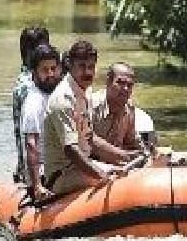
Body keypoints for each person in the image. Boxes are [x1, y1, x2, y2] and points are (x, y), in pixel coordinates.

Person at [42, 40, 135, 196]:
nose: (87, 72)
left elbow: (90, 138)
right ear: (70, 66)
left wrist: (126, 156)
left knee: (129, 171)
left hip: (78, 168)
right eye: (82, 66)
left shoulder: (84, 92)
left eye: (91, 67)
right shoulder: (63, 100)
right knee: (119, 182)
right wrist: (101, 175)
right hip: (62, 175)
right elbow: (71, 149)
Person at [19, 43, 63, 199]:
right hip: (46, 170)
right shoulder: (34, 103)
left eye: (53, 68)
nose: (50, 74)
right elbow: (31, 145)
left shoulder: (59, 96)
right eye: (45, 70)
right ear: (34, 74)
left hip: (60, 163)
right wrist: (37, 186)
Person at [12, 26, 50, 181]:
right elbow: (31, 141)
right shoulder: (29, 86)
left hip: (30, 164)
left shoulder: (24, 81)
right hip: (36, 168)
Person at [91, 62, 145, 153]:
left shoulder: (129, 108)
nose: (126, 89)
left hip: (117, 162)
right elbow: (85, 144)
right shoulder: (91, 107)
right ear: (108, 82)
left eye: (130, 85)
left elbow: (132, 143)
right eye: (120, 83)